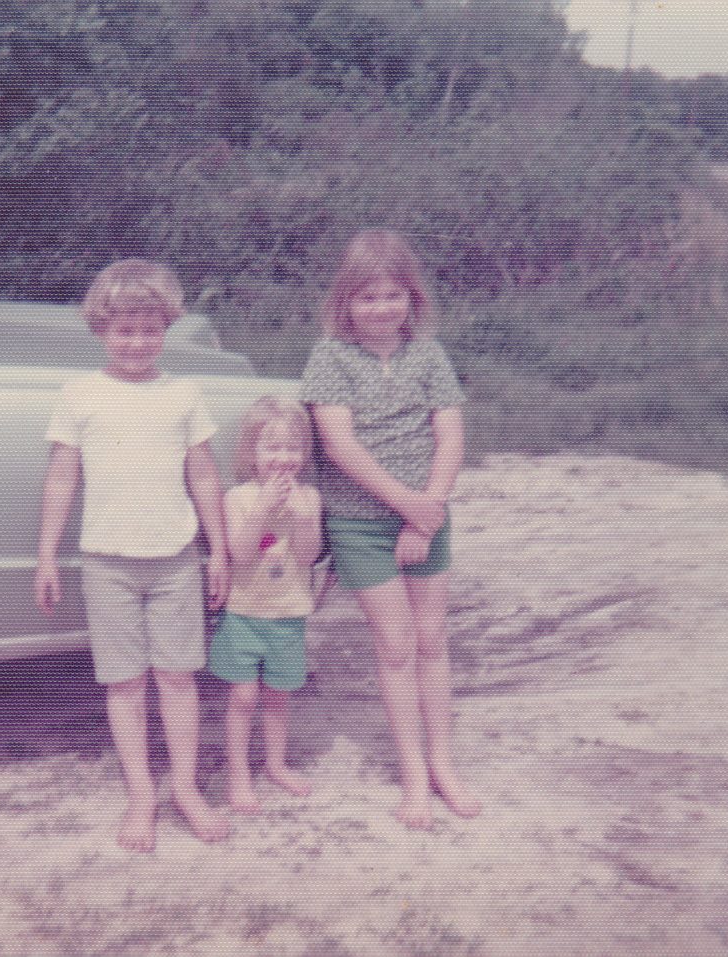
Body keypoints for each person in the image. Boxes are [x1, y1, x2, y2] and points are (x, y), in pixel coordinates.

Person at [34, 258, 231, 851]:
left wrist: (218, 549)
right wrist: (46, 556)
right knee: (124, 683)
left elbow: (203, 474)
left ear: (167, 328)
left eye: (150, 330)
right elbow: (62, 477)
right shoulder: (79, 394)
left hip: (175, 560)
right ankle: (142, 793)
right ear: (101, 329)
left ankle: (186, 789)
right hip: (107, 564)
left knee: (177, 677)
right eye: (124, 330)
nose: (138, 342)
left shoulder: (185, 394)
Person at [299, 229, 481, 830]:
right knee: (396, 645)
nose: (382, 309)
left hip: (427, 516)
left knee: (433, 642)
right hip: (362, 522)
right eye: (368, 297)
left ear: (412, 298)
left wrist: (427, 511)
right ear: (345, 301)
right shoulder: (329, 357)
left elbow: (450, 435)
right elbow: (339, 444)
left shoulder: (429, 355)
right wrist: (409, 506)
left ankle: (444, 765)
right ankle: (411, 776)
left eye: (393, 296)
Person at [208, 397, 322, 813]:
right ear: (251, 455)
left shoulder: (309, 498)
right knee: (242, 697)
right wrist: (261, 511)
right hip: (243, 614)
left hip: (288, 615)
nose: (282, 458)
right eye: (271, 448)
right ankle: (238, 775)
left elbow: (308, 556)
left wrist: (302, 518)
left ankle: (276, 765)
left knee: (278, 696)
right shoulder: (238, 498)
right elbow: (240, 554)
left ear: (304, 454)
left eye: (292, 448)